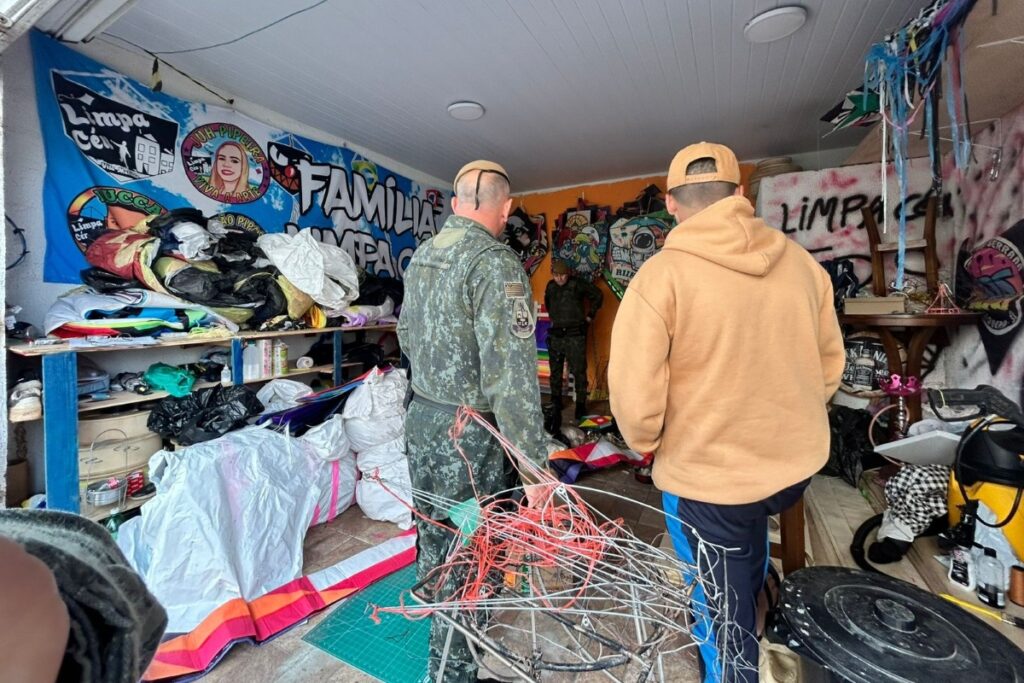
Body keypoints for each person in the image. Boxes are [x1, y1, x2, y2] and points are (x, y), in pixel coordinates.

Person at [608, 142, 844, 683]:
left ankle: (734, 665)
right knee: (748, 536)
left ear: (670, 203)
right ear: (741, 195)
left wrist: (652, 444)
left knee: (720, 616)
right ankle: (755, 591)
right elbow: (830, 368)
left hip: (711, 481)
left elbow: (636, 402)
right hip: (791, 468)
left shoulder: (659, 277)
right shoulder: (804, 266)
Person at [398, 160, 548, 683]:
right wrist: (534, 472)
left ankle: (433, 599)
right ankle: (452, 671)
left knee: (437, 527)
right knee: (476, 551)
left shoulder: (422, 257)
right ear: (505, 209)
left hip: (423, 421)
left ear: (456, 201)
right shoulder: (496, 262)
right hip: (470, 441)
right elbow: (512, 381)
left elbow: (406, 339)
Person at [544, 259, 603, 420]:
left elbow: (598, 295)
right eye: (556, 275)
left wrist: (590, 317)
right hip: (557, 334)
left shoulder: (577, 284)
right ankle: (556, 401)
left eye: (562, 275)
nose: (559, 279)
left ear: (568, 274)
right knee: (555, 372)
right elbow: (548, 304)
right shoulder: (550, 286)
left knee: (579, 371)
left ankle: (581, 406)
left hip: (575, 335)